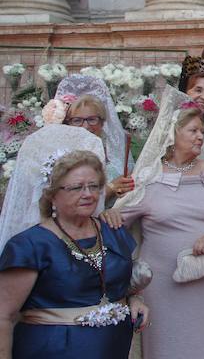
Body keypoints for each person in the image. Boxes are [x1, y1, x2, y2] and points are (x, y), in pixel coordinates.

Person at [106, 89, 204, 359]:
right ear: (172, 135)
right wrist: (108, 212)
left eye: (201, 132)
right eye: (192, 131)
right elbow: (120, 217)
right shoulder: (149, 176)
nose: (200, 137)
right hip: (161, 283)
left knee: (203, 345)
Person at [0, 128, 149, 358]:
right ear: (52, 195)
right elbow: (4, 315)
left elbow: (118, 282)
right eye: (77, 187)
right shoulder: (29, 246)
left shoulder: (114, 231)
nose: (88, 194)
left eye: (94, 186)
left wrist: (134, 298)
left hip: (113, 348)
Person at [50, 75, 133, 202]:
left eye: (92, 119)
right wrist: (110, 189)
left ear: (102, 122)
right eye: (77, 120)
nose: (85, 126)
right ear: (68, 123)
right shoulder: (60, 154)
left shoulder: (114, 148)